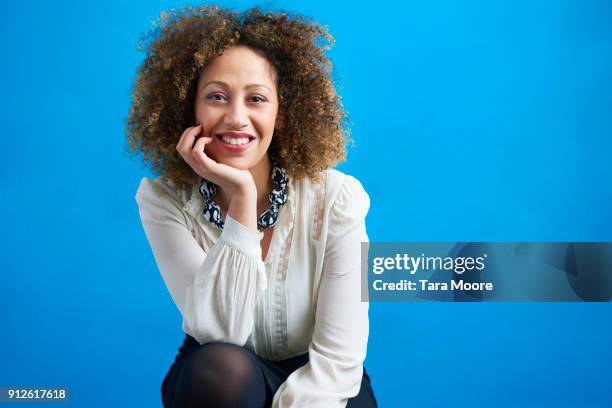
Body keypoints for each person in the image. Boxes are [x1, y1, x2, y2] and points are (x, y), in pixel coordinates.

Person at [126, 5, 377, 407]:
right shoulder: (163, 200)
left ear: (284, 110)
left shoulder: (338, 198)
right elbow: (219, 331)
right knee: (220, 368)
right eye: (217, 96)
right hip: (222, 381)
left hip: (326, 384)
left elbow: (338, 359)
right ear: (189, 106)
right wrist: (242, 199)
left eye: (256, 98)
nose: (236, 117)